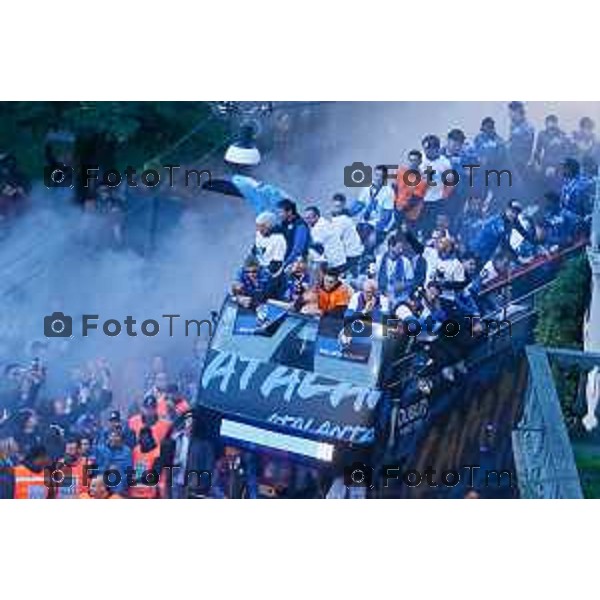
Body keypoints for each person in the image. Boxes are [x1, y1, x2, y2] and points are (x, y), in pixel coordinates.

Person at [420, 135, 453, 235]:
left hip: (437, 201)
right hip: (421, 200)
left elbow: (450, 183)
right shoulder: (419, 160)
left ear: (436, 149)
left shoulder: (445, 163)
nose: (427, 152)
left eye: (430, 149)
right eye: (425, 149)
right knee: (421, 226)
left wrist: (444, 198)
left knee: (434, 227)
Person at [356, 164, 395, 243]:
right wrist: (345, 212)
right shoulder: (367, 188)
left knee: (368, 238)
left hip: (378, 226)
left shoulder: (389, 192)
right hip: (364, 224)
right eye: (376, 175)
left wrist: (375, 232)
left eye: (381, 176)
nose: (377, 178)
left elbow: (386, 217)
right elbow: (358, 205)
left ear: (385, 178)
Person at [304, 205, 347, 274]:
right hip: (339, 260)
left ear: (317, 216)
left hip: (334, 263)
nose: (307, 221)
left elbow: (316, 247)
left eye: (309, 218)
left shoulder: (319, 227)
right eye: (305, 218)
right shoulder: (322, 222)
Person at [330, 194, 364, 277]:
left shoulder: (342, 220)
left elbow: (335, 239)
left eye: (339, 206)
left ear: (343, 205)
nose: (336, 209)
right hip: (354, 253)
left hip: (350, 255)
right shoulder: (344, 218)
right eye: (335, 206)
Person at [375, 234, 414, 305]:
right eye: (399, 248)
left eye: (402, 248)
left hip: (399, 297)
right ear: (391, 247)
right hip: (382, 295)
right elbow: (374, 278)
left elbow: (411, 282)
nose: (401, 250)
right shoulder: (379, 260)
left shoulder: (406, 262)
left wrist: (402, 285)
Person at [533, 115, 572, 186]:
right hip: (545, 165)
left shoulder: (563, 136)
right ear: (546, 124)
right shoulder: (542, 134)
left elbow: (566, 154)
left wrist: (556, 168)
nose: (551, 128)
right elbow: (537, 151)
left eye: (553, 125)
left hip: (558, 166)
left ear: (556, 124)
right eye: (549, 125)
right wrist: (537, 164)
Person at [394, 149, 428, 225]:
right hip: (397, 209)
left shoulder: (423, 179)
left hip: (411, 214)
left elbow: (416, 198)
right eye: (411, 160)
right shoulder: (400, 172)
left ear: (420, 162)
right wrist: (395, 205)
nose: (412, 163)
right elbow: (395, 188)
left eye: (415, 160)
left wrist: (402, 210)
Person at [276, 199, 311, 268]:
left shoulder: (300, 225)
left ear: (289, 212)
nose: (279, 215)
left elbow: (298, 249)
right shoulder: (284, 224)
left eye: (281, 212)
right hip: (286, 261)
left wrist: (286, 263)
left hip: (298, 263)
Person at [97, 429, 132, 496]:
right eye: (112, 436)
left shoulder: (127, 451)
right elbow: (97, 469)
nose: (114, 438)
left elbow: (129, 470)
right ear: (108, 437)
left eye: (116, 436)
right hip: (104, 488)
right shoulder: (101, 450)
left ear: (121, 439)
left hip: (120, 489)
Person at [507, 101, 535, 172]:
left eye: (510, 112)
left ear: (517, 111)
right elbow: (510, 141)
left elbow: (523, 147)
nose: (509, 115)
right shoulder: (513, 126)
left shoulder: (528, 127)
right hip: (512, 162)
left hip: (521, 164)